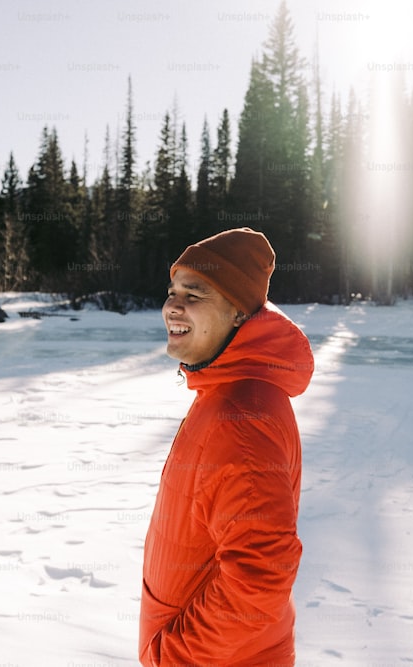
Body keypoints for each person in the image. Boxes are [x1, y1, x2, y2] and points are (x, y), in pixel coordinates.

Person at [139, 227, 314, 666]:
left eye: (194, 295)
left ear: (238, 313)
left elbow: (260, 579)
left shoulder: (242, 419)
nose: (173, 306)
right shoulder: (224, 393)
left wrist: (174, 656)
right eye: (173, 290)